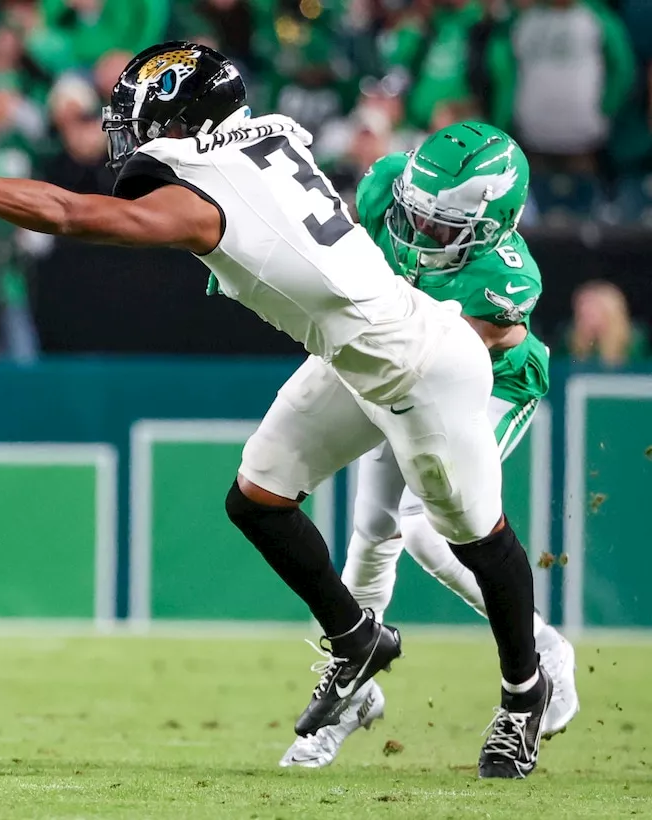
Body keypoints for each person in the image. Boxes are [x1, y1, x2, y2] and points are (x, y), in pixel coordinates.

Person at [0, 41, 551, 779]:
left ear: (183, 122)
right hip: (360, 350)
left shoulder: (202, 199)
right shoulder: (267, 133)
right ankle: (356, 640)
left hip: (425, 367)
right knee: (258, 497)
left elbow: (66, 212)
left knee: (476, 535)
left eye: (138, 119)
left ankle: (522, 697)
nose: (125, 134)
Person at [280, 123, 580, 768]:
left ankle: (541, 652)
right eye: (413, 218)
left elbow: (446, 361)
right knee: (373, 525)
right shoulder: (388, 185)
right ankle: (353, 684)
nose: (417, 237)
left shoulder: (504, 281)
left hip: (484, 382)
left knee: (425, 526)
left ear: (492, 224)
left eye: (441, 230)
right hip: (395, 367)